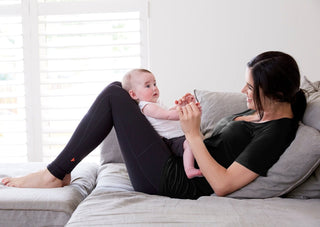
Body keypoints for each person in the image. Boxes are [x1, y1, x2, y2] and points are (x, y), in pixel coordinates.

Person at [1, 51, 306, 200]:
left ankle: (55, 173)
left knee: (113, 95)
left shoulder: (276, 132)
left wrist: (192, 134)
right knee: (116, 91)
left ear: (275, 93)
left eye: (250, 88)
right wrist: (186, 114)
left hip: (172, 181)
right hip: (173, 159)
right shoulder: (261, 109)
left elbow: (224, 185)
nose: (243, 92)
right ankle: (59, 170)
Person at [122, 68, 202, 179]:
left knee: (196, 140)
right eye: (148, 86)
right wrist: (186, 112)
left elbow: (168, 111)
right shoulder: (146, 107)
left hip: (178, 136)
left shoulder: (155, 103)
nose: (154, 88)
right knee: (189, 144)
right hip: (171, 140)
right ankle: (189, 169)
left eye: (155, 84)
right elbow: (167, 115)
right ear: (134, 94)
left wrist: (183, 106)